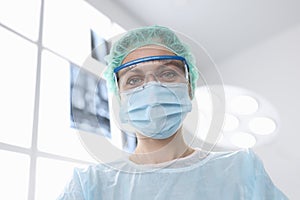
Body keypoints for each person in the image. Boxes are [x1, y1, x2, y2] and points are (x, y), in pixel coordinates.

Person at [57, 25, 288, 200]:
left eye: (167, 74)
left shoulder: (241, 171)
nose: (153, 89)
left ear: (188, 88)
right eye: (134, 80)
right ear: (120, 99)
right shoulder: (89, 186)